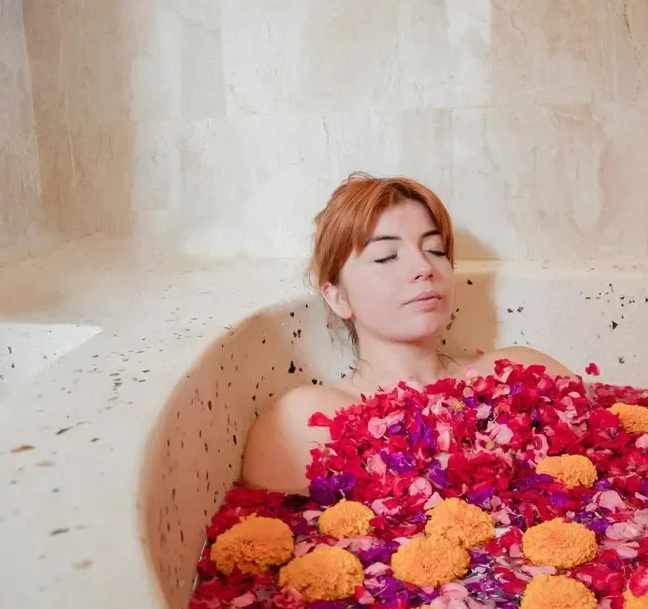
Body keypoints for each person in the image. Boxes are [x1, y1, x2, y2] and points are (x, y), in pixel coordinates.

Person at [242, 174, 572, 493]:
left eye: (435, 250)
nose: (424, 268)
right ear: (338, 297)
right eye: (386, 257)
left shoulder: (522, 374)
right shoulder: (304, 422)